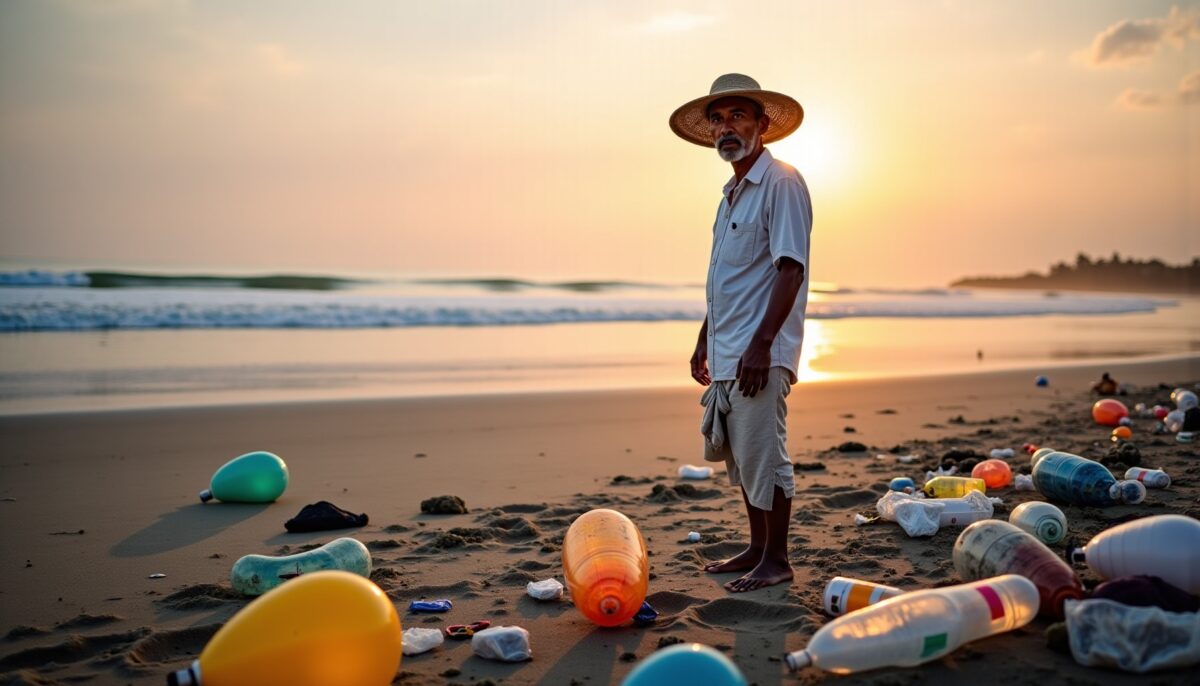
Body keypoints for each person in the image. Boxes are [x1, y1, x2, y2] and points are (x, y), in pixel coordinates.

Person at [670, 74, 813, 592]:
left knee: (765, 452)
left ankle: (777, 559)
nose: (725, 128)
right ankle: (756, 547)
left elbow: (789, 269)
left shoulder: (783, 183)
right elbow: (725, 278)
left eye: (737, 116)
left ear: (762, 124)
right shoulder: (730, 194)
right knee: (743, 455)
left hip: (760, 351)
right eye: (717, 119)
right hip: (729, 346)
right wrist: (704, 336)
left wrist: (760, 345)